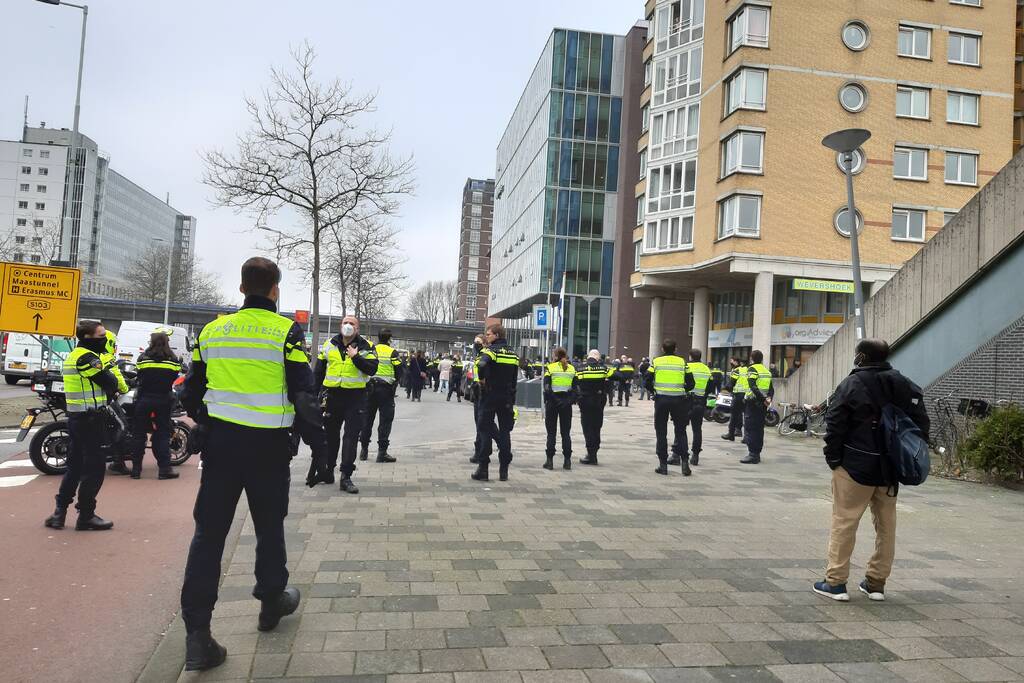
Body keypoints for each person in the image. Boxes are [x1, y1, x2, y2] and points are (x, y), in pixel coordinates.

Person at [178, 257, 330, 671]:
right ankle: (270, 602)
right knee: (268, 526)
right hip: (268, 449)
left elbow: (191, 390)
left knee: (208, 536)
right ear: (275, 290)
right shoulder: (285, 331)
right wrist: (320, 449)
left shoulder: (212, 331)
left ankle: (198, 635)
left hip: (221, 448)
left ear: (242, 288)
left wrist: (207, 421)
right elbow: (303, 393)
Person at [813, 339, 930, 603]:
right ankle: (876, 584)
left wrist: (834, 458)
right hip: (889, 470)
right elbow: (922, 425)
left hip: (855, 465)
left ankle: (835, 583)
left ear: (862, 357)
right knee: (887, 526)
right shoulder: (904, 384)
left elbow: (835, 423)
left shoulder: (852, 384)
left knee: (844, 522)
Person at [44, 320, 123, 532]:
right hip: (91, 420)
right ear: (87, 338)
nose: (104, 339)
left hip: (77, 419)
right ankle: (86, 515)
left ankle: (59, 513)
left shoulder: (74, 356)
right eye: (101, 336)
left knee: (75, 467)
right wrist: (110, 369)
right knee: (95, 468)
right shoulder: (87, 358)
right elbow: (111, 383)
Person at [315, 315, 379, 494]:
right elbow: (319, 371)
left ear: (357, 328)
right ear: (340, 326)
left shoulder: (366, 346)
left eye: (352, 323)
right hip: (333, 396)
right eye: (345, 323)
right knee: (330, 435)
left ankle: (346, 476)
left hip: (356, 397)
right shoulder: (329, 344)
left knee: (350, 437)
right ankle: (328, 471)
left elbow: (372, 369)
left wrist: (356, 357)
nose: (348, 325)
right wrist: (313, 394)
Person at [128, 331, 182, 480]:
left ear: (151, 343)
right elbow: (174, 377)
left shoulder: (143, 358)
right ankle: (164, 470)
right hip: (163, 400)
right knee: (162, 434)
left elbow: (138, 376)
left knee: (138, 435)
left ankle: (136, 470)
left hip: (144, 399)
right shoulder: (173, 360)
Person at [472, 323, 518, 482]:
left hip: (490, 394)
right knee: (505, 432)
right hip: (506, 396)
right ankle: (503, 471)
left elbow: (481, 364)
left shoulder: (490, 351)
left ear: (497, 335)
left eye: (489, 334)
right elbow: (514, 379)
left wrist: (482, 380)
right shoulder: (513, 354)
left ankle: (483, 469)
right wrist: (512, 398)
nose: (487, 337)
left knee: (484, 430)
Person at [646, 339, 694, 476]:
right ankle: (685, 464)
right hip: (679, 400)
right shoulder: (682, 362)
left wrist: (654, 391)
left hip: (661, 400)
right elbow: (691, 383)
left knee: (661, 432)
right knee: (681, 431)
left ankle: (663, 465)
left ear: (662, 349)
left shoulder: (656, 362)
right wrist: (682, 390)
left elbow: (647, 380)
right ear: (675, 349)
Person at [359, 329, 402, 465]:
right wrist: (395, 382)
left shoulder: (371, 350)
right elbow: (399, 371)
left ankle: (364, 450)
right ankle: (382, 453)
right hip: (385, 390)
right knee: (385, 421)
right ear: (390, 339)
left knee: (367, 420)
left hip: (369, 388)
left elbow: (363, 365)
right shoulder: (392, 352)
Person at [669, 349, 711, 468]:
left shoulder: (686, 367)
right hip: (700, 401)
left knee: (680, 429)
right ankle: (695, 456)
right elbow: (710, 385)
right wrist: (704, 395)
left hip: (686, 401)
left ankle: (676, 455)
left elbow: (680, 382)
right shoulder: (706, 369)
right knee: (697, 429)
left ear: (690, 356)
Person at [543, 347, 577, 471]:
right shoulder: (572, 369)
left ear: (556, 356)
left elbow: (547, 388)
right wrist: (568, 401)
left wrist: (555, 400)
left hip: (552, 403)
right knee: (566, 433)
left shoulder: (550, 368)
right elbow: (576, 389)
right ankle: (567, 461)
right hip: (566, 404)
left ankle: (549, 461)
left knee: (551, 433)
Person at [104, 330, 134, 475]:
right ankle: (118, 462)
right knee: (123, 425)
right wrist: (125, 388)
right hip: (104, 400)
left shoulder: (84, 354)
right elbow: (118, 380)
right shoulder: (106, 358)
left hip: (82, 400)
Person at [741, 349, 774, 464]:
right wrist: (768, 399)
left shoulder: (752, 369)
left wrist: (763, 399)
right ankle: (756, 453)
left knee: (750, 428)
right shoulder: (766, 371)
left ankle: (752, 454)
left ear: (751, 358)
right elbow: (771, 389)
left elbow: (752, 386)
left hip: (753, 403)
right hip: (762, 404)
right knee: (759, 429)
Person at [577, 349, 608, 465]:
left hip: (585, 401)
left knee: (587, 427)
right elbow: (617, 376)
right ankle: (594, 452)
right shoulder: (603, 369)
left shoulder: (580, 368)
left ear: (588, 357)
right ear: (598, 358)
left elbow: (575, 382)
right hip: (599, 401)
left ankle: (591, 454)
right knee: (597, 426)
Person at [722, 357, 747, 441]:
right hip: (747, 396)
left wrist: (726, 388)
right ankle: (746, 438)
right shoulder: (749, 370)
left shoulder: (737, 370)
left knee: (734, 415)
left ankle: (731, 434)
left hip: (738, 395)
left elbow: (731, 383)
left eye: (732, 361)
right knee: (746, 416)